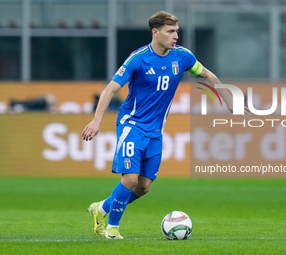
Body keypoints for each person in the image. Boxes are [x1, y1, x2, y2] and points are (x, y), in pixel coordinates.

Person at [81, 11, 250, 240]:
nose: (175, 36)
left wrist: (229, 100)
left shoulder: (182, 57)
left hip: (156, 132)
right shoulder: (138, 58)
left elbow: (207, 74)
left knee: (143, 187)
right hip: (132, 125)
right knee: (129, 179)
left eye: (176, 31)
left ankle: (101, 208)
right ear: (155, 32)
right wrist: (96, 120)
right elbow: (111, 88)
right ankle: (111, 228)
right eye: (170, 31)